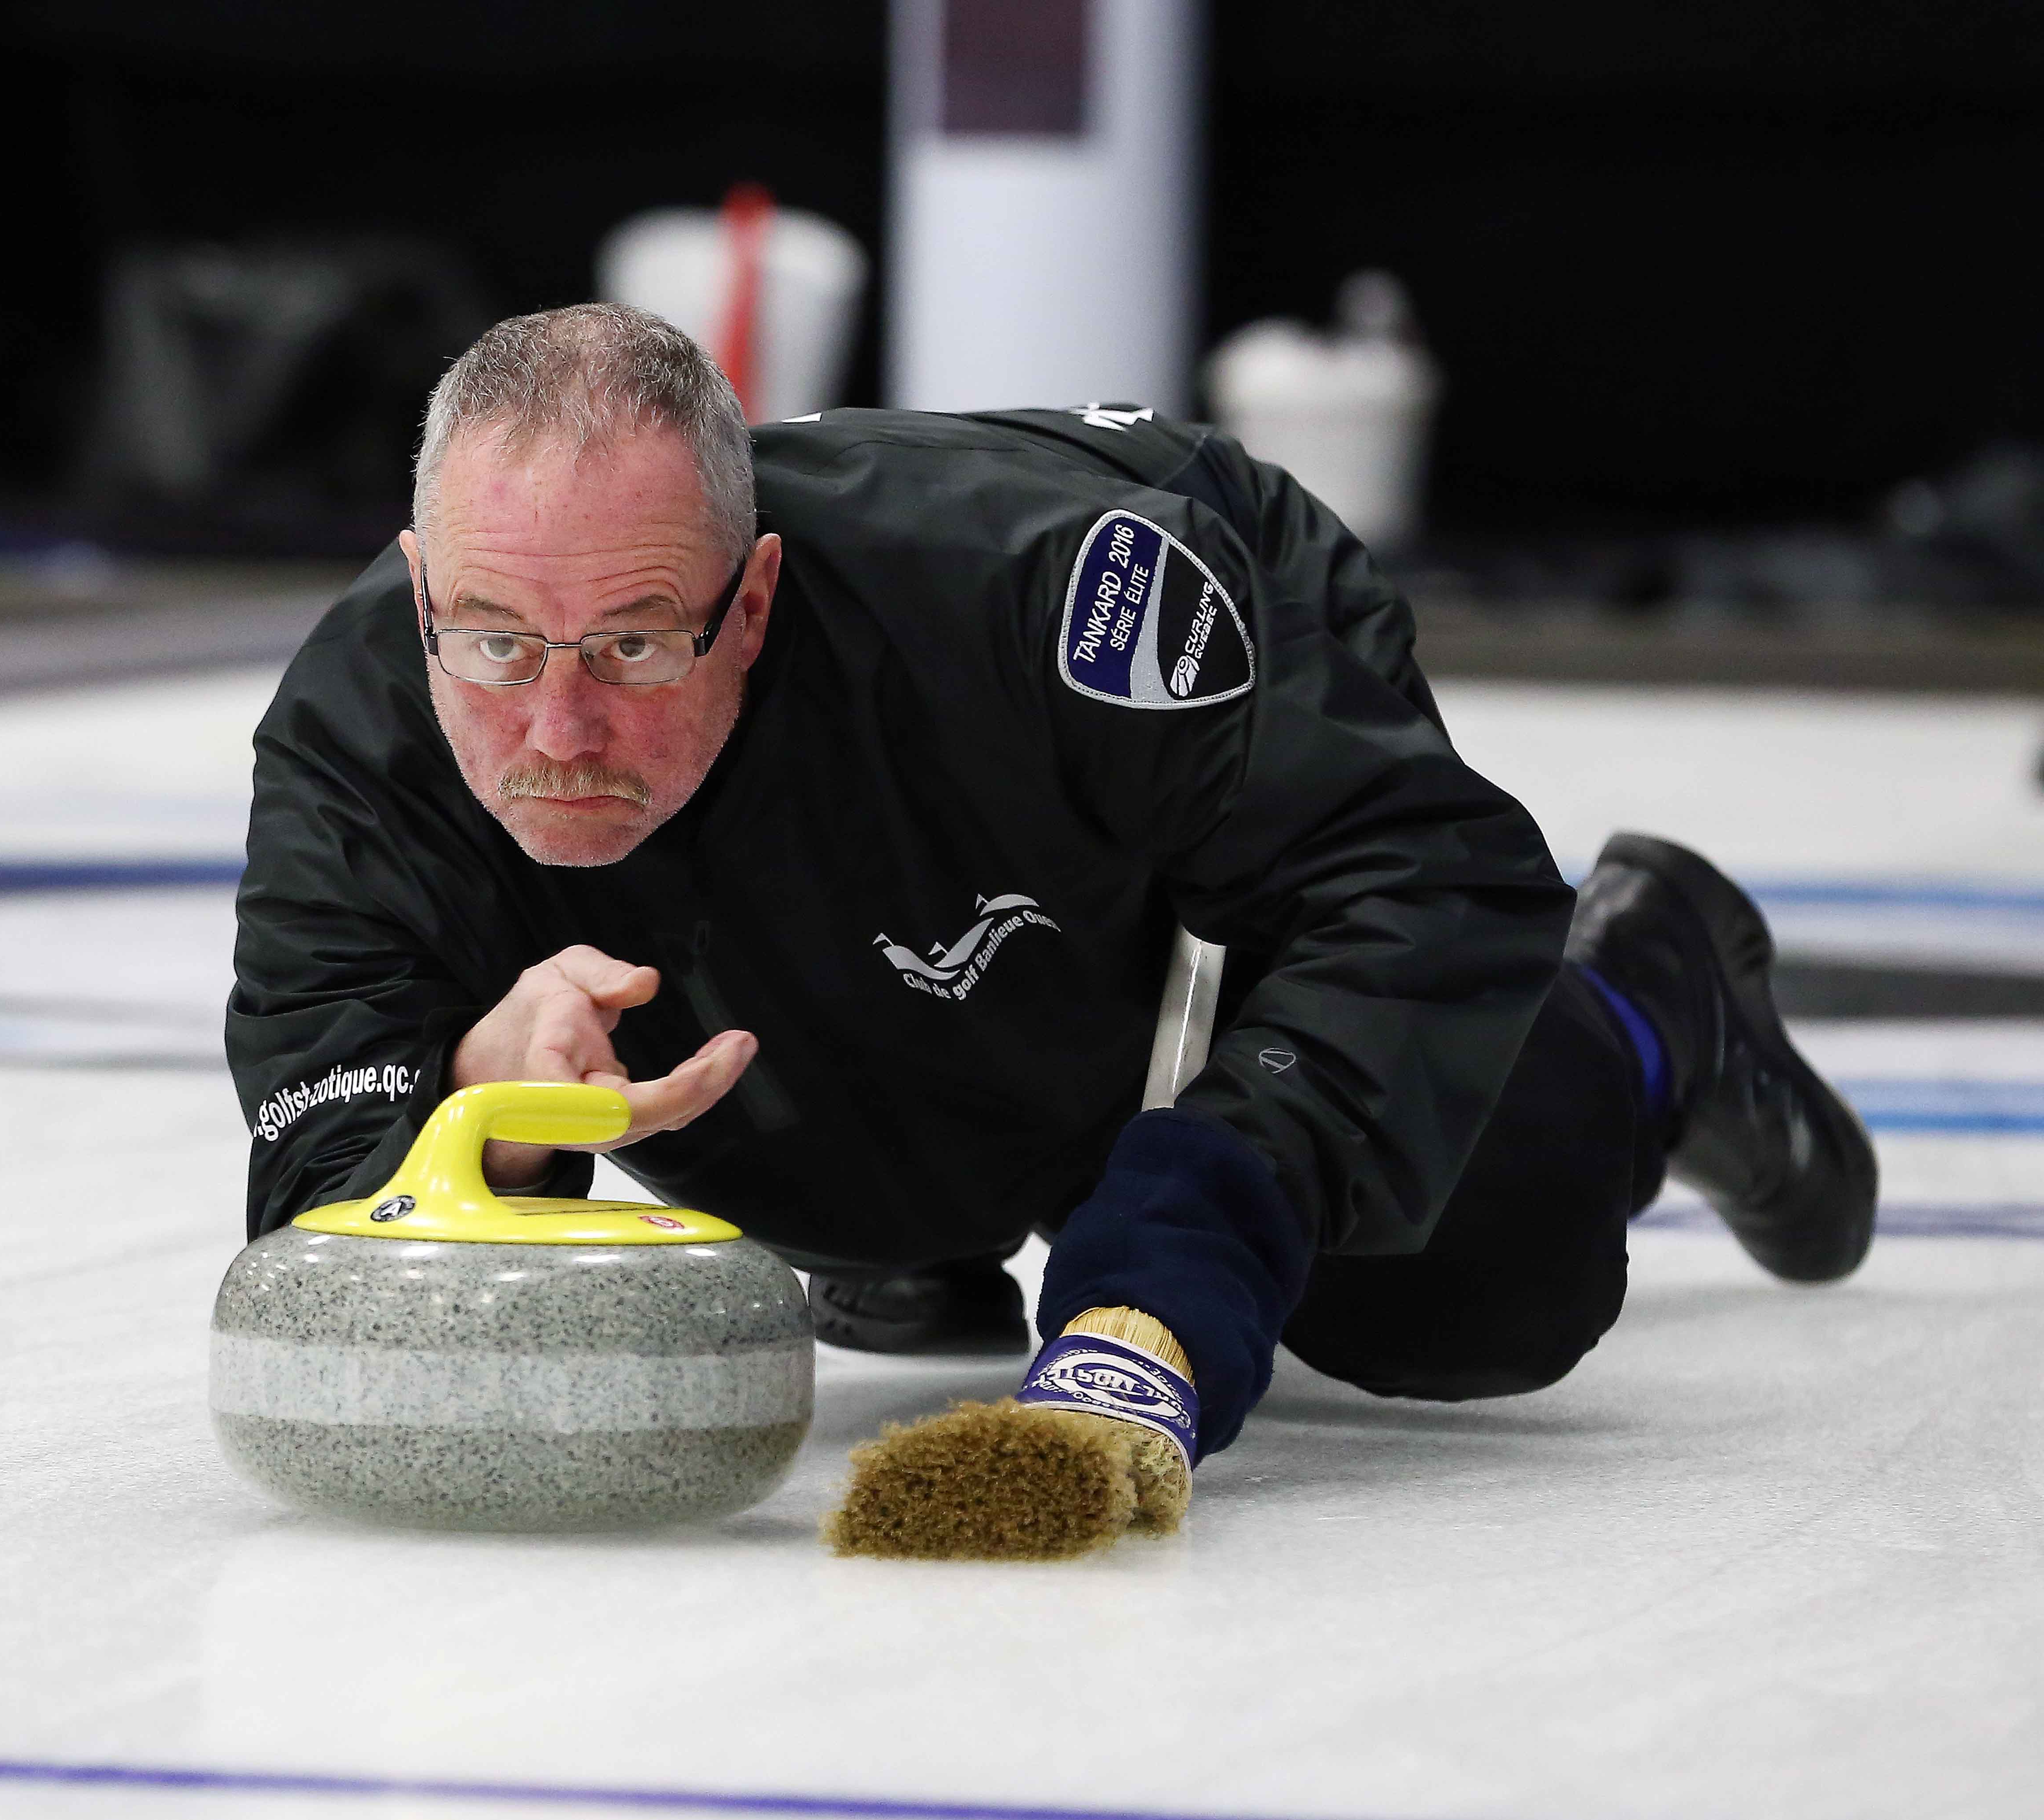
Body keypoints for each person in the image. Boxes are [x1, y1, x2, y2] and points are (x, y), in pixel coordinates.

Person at [226, 303, 1876, 1473]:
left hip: (1144, 729)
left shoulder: (1072, 603)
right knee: (871, 1183)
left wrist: (1181, 1249)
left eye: (636, 640)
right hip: (892, 938)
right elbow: (322, 1163)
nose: (560, 724)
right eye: (497, 641)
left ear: (755, 598)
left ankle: (1654, 998)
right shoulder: (363, 713)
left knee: (1481, 1287)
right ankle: (908, 1202)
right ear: (427, 585)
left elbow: (1421, 877)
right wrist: (481, 1114)